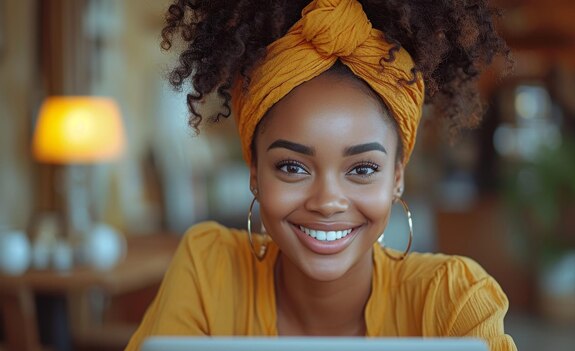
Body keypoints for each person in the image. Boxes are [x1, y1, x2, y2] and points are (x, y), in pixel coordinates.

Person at [125, 0, 517, 350]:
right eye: (292, 167)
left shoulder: (454, 300)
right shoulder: (207, 270)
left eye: (363, 169)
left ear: (397, 176)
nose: (327, 202)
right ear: (255, 173)